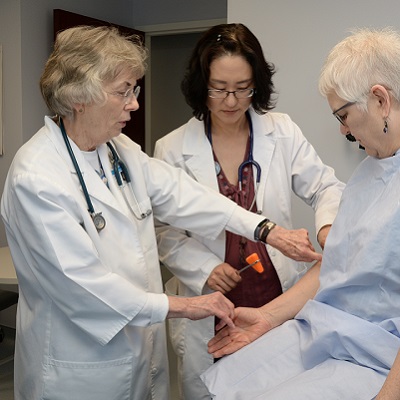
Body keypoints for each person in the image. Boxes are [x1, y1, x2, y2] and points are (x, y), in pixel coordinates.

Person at [0, 26, 321, 400]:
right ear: (79, 97)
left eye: (133, 90)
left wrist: (265, 229)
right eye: (124, 91)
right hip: (79, 366)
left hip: (137, 349)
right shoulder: (36, 179)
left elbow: (185, 195)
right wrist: (185, 305)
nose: (135, 104)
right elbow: (83, 288)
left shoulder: (117, 148)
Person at [200, 27, 400, 400]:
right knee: (231, 382)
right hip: (322, 330)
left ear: (380, 100)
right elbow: (336, 266)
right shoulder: (371, 170)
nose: (343, 130)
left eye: (344, 114)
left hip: (374, 355)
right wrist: (268, 316)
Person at [153, 23, 345, 400]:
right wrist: (203, 267)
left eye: (242, 88)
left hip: (275, 294)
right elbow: (163, 231)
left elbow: (326, 186)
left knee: (278, 386)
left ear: (257, 84)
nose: (230, 101)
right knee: (212, 389)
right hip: (212, 301)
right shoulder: (172, 148)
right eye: (219, 89)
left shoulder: (282, 131)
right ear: (200, 85)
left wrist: (326, 229)